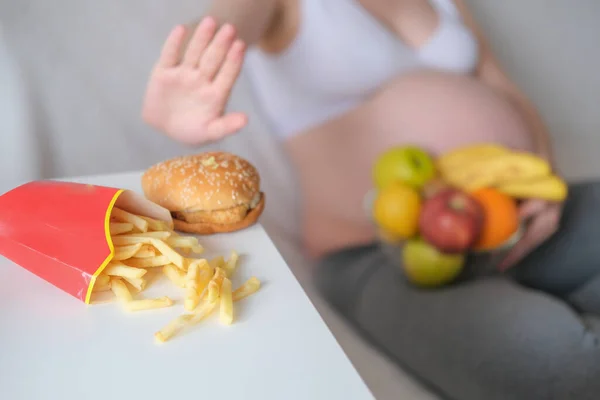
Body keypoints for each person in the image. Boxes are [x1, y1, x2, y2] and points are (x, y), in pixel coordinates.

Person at [141, 1, 600, 398]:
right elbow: (225, 24)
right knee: (560, 365)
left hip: (513, 222)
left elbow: (502, 85)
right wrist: (187, 76)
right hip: (372, 256)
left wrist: (546, 181)